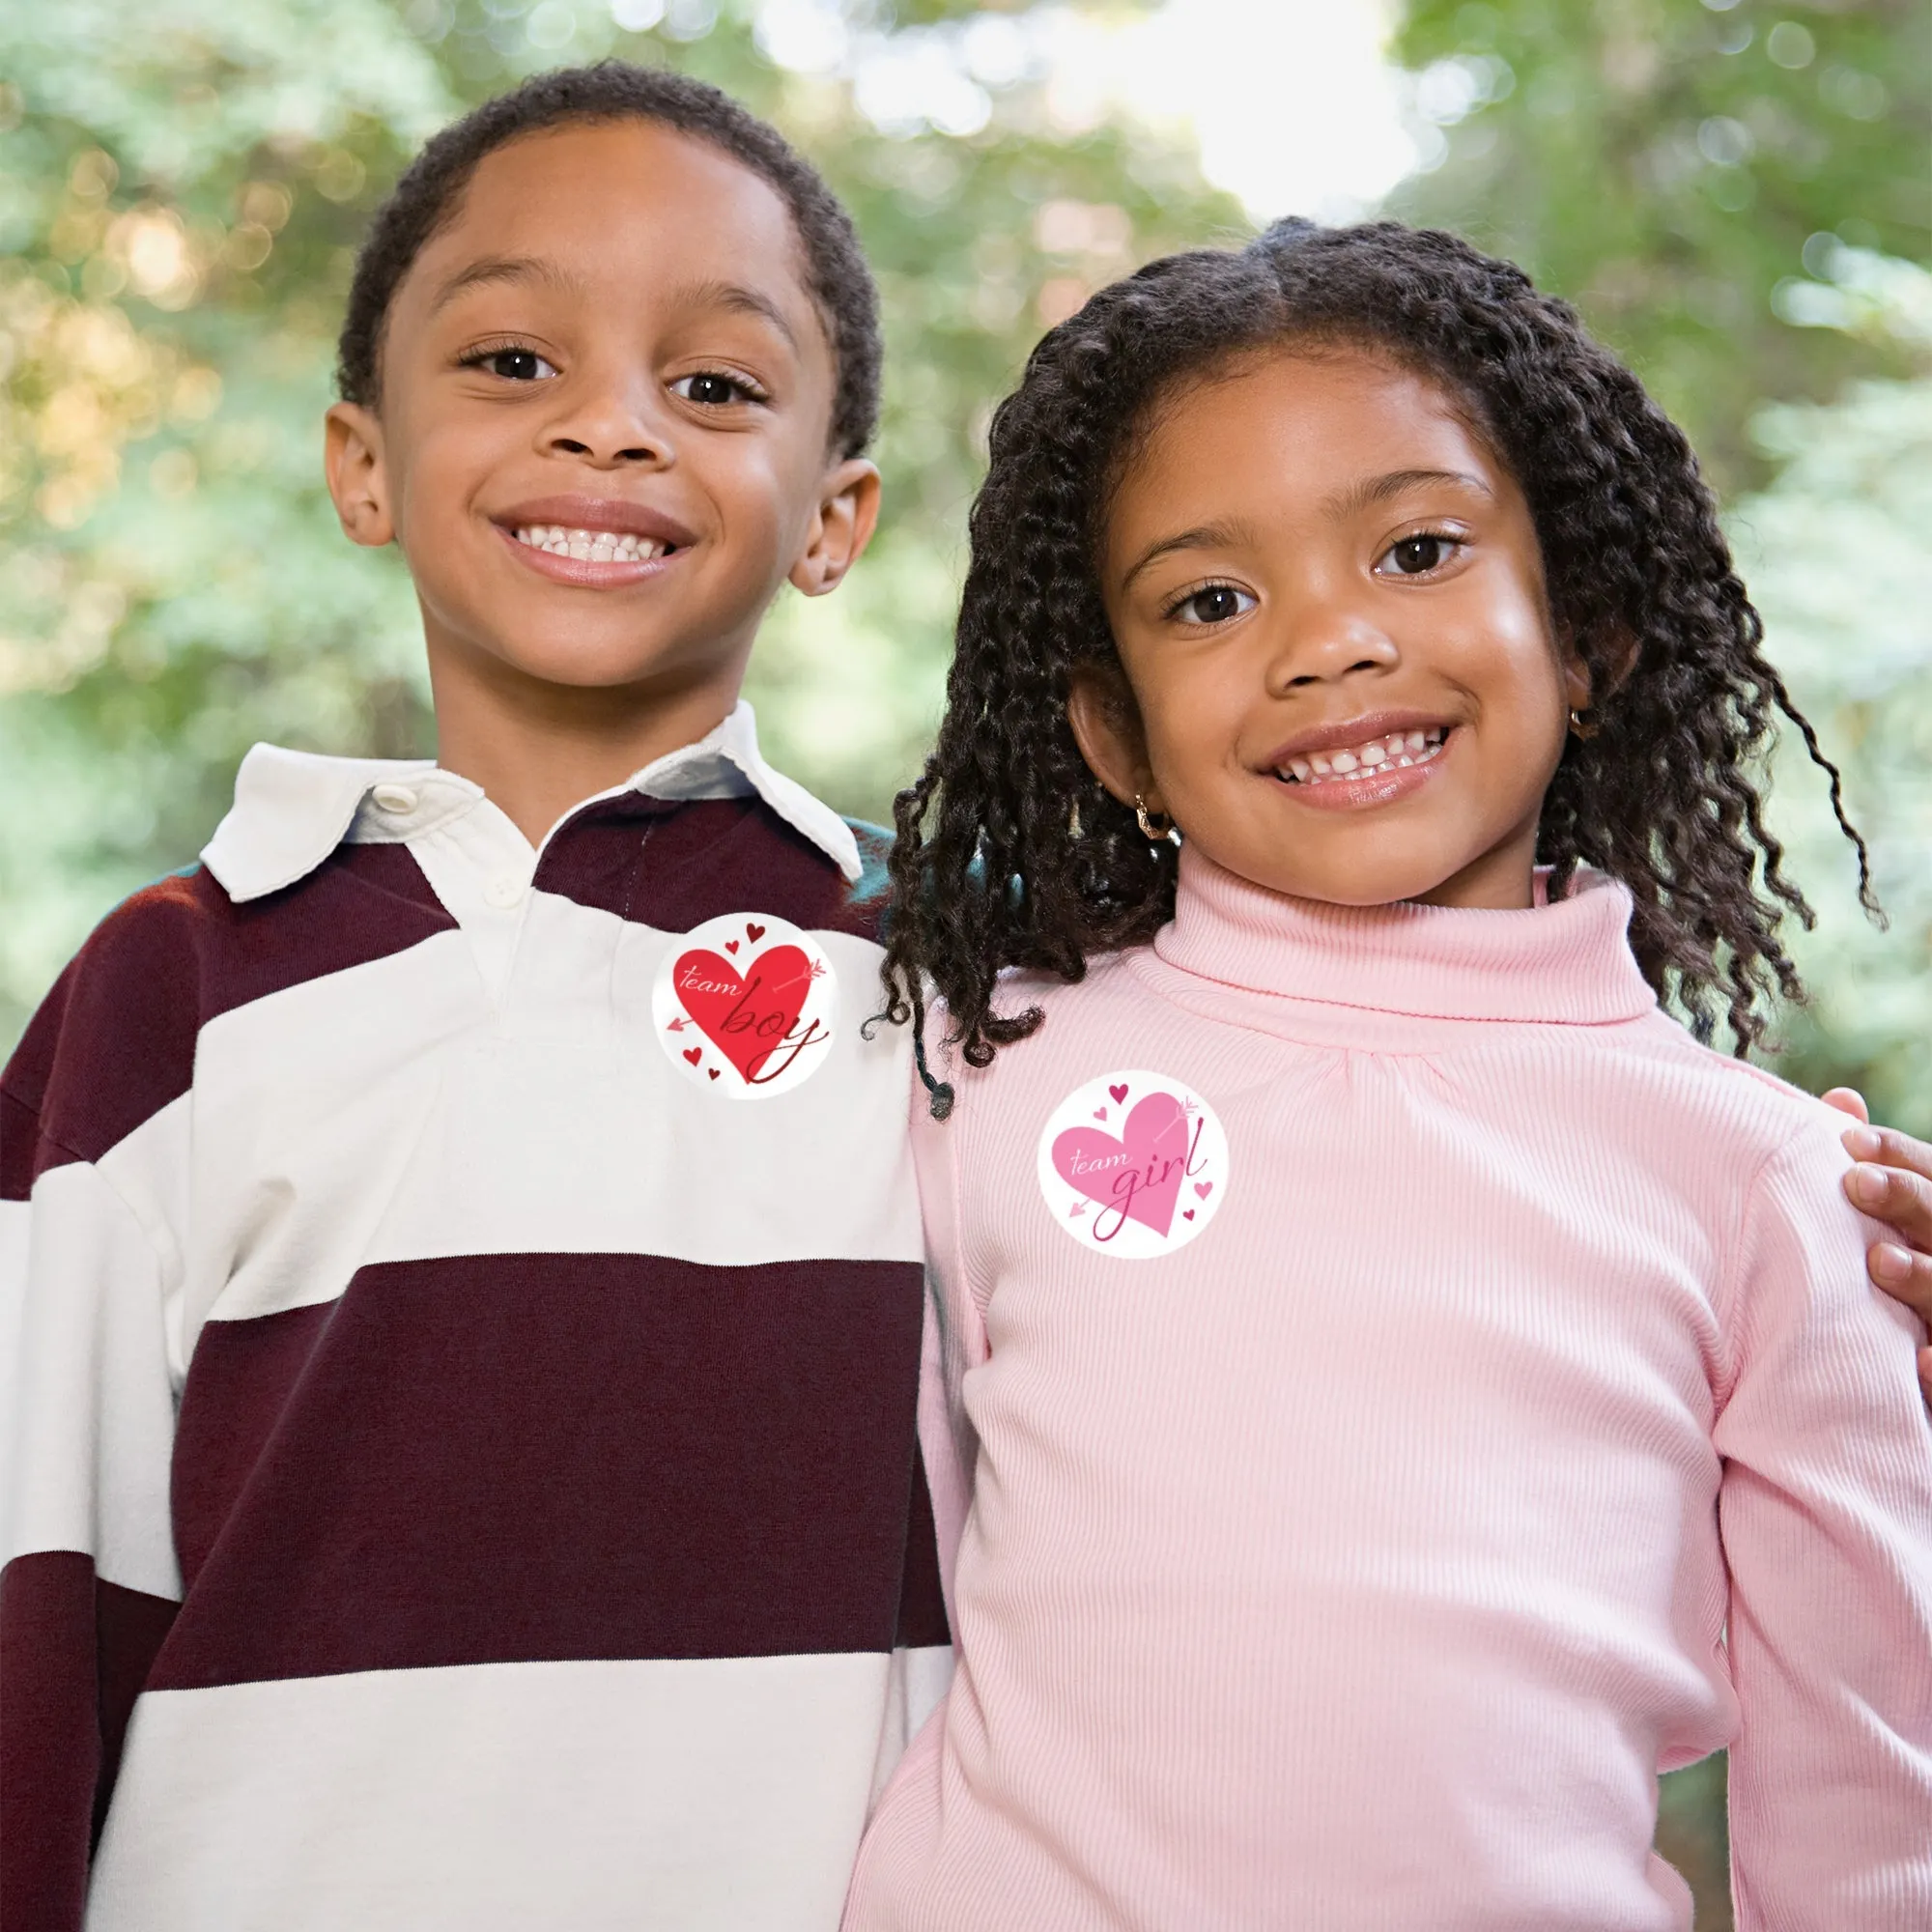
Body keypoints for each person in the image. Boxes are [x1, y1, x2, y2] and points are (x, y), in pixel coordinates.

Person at [846, 220, 1932, 1929]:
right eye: (1211, 599)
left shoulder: (1774, 1186)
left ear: (1584, 627)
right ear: (1115, 732)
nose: (1329, 640)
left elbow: (1879, 1832)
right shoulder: (983, 1073)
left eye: (1417, 549)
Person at [0, 65, 948, 1932]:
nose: (610, 428)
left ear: (834, 519)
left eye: (717, 385)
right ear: (363, 463)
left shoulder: (955, 978)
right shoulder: (167, 989)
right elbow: (38, 1595)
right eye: (515, 362)